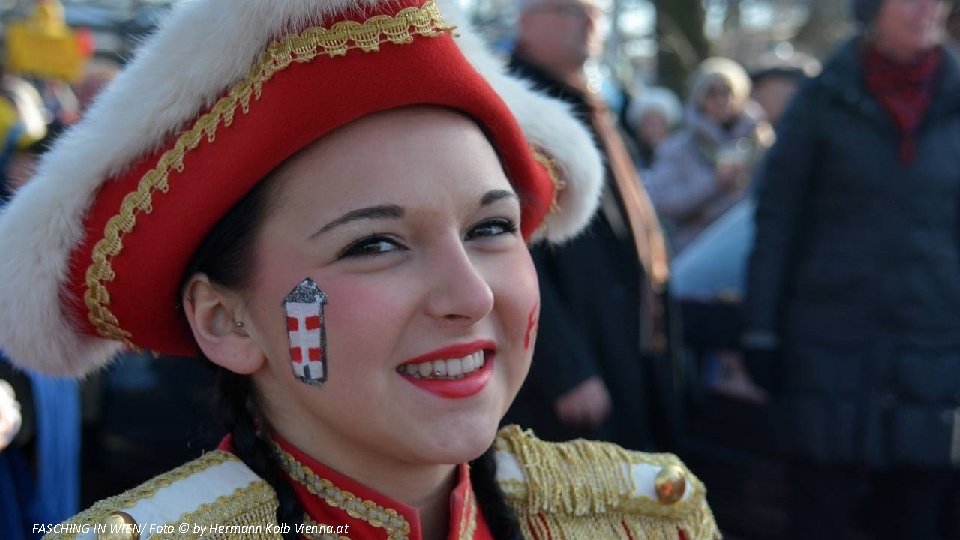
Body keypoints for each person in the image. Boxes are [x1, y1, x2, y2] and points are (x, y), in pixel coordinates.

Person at [0, 1, 719, 539]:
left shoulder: (646, 517)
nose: (469, 295)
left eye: (492, 229)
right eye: (375, 244)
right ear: (226, 319)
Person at [744, 0, 960, 538]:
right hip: (827, 349)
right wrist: (759, 328)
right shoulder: (822, 99)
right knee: (822, 513)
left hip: (932, 352)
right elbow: (777, 220)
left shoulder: (957, 102)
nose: (929, 7)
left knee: (916, 514)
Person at [502, 0, 681, 456]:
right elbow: (509, 251)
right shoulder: (515, 111)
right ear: (526, 19)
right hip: (576, 362)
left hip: (624, 343)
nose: (588, 22)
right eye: (570, 10)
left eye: (596, 11)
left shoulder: (588, 99)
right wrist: (567, 370)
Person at [644, 57, 773, 255]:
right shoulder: (678, 148)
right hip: (698, 251)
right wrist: (714, 183)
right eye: (711, 93)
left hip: (753, 248)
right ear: (699, 97)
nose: (721, 100)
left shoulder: (762, 141)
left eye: (727, 91)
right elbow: (663, 200)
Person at [625, 86, 682, 172]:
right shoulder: (631, 154)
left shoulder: (678, 154)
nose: (652, 129)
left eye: (656, 124)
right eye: (647, 124)